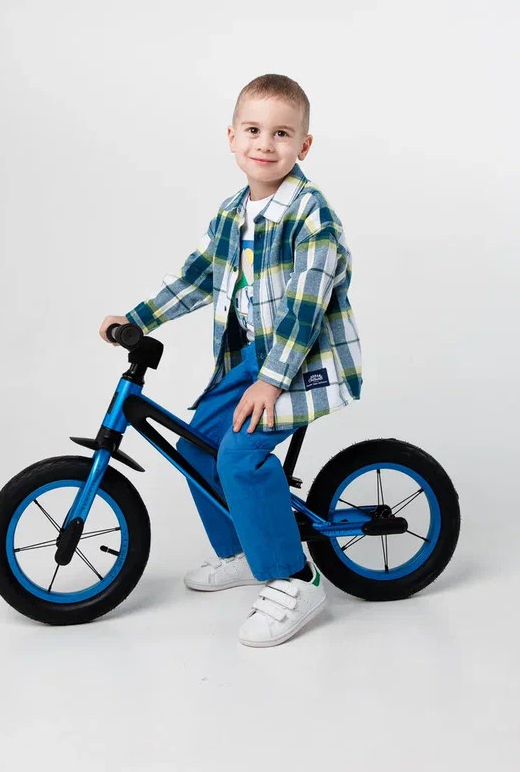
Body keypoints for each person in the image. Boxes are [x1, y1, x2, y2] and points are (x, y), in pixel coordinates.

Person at [99, 73, 363, 648]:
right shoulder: (231, 213)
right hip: (246, 361)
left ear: (304, 146)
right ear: (232, 137)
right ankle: (247, 549)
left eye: (282, 133)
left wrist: (270, 382)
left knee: (240, 457)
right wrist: (138, 318)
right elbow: (196, 277)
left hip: (298, 365)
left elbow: (305, 311)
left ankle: (296, 578)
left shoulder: (311, 216)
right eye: (253, 130)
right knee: (198, 447)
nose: (265, 144)